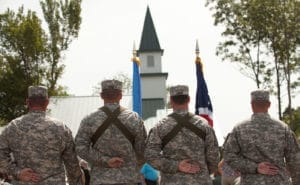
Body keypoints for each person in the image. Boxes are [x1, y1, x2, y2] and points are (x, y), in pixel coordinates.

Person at [0, 86, 82, 185]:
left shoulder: (13, 127)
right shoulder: (60, 128)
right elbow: (72, 164)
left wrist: (17, 172)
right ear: (47, 102)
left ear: (27, 102)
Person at [75, 79, 147, 185]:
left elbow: (80, 148)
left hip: (100, 179)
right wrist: (131, 166)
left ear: (101, 96)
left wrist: (105, 160)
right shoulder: (134, 118)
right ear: (121, 95)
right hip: (129, 179)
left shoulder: (89, 119)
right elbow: (143, 150)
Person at [145, 85, 219, 185]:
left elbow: (150, 156)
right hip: (200, 181)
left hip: (171, 181)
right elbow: (214, 156)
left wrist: (176, 166)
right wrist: (203, 171)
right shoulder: (204, 125)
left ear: (171, 100)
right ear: (188, 99)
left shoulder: (160, 126)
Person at [224, 90, 300, 185]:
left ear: (251, 104)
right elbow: (295, 161)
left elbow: (229, 157)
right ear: (269, 105)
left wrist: (255, 167)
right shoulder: (283, 128)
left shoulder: (239, 129)